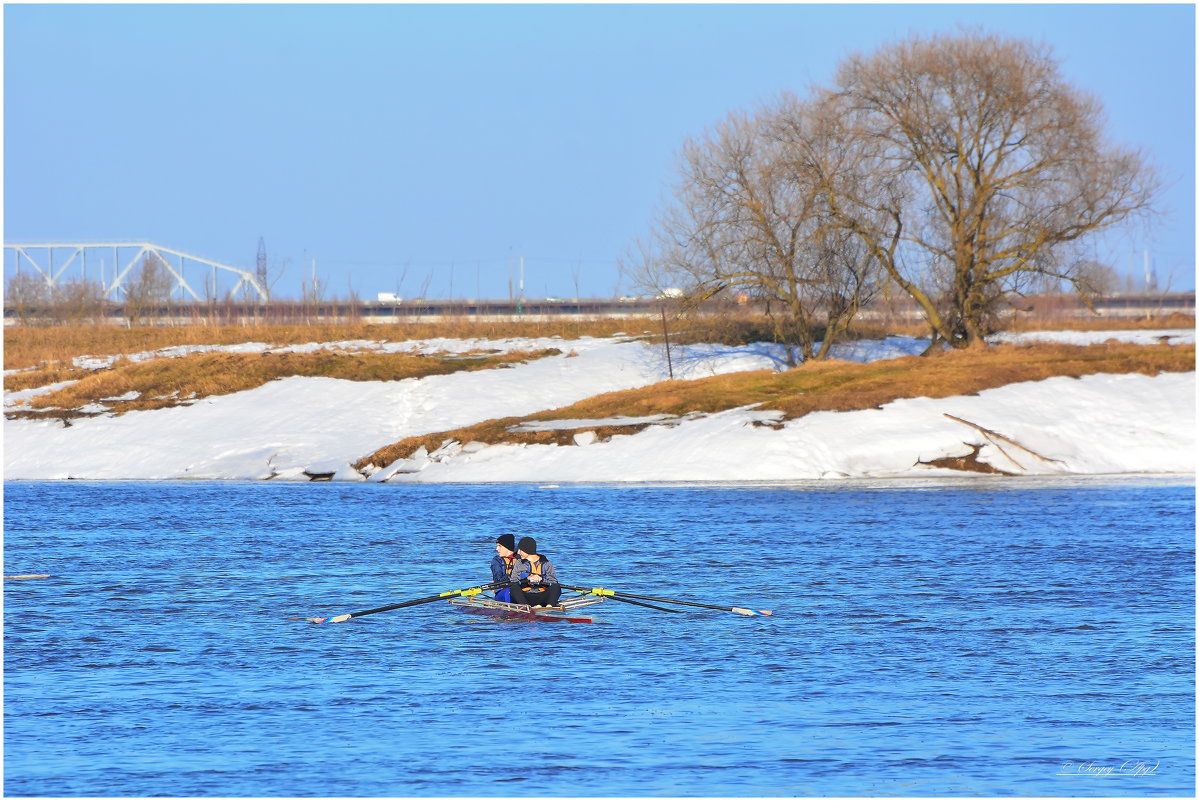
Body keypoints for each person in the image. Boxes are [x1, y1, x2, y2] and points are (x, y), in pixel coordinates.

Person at [508, 536, 562, 608]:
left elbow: (553, 582)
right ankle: (525, 607)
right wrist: (527, 579)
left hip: (542, 596)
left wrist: (541, 580)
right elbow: (513, 581)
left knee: (556, 587)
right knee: (513, 587)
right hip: (525, 596)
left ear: (527, 550)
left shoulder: (547, 563)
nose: (518, 552)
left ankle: (550, 606)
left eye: (520, 550)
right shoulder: (519, 563)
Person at [490, 534, 520, 603]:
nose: (497, 549)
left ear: (507, 547)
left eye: (499, 546)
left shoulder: (520, 558)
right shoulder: (497, 561)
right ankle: (510, 611)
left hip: (518, 590)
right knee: (509, 591)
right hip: (502, 592)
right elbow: (498, 580)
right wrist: (512, 575)